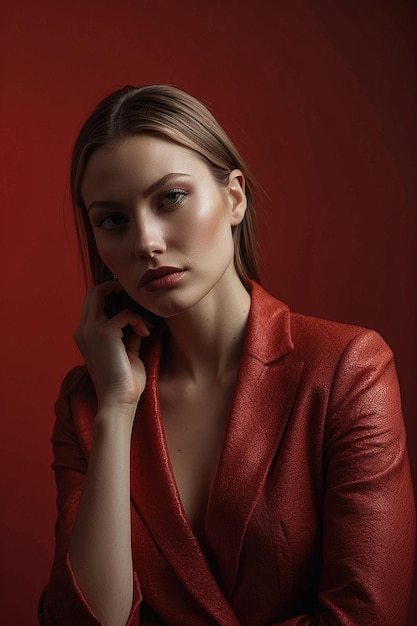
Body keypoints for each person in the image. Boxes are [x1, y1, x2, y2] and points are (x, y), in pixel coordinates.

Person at [39, 85, 415, 626]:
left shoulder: (348, 368)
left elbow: (365, 617)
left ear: (235, 198)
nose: (146, 241)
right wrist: (117, 411)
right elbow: (84, 620)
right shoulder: (85, 404)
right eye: (113, 220)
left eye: (170, 198)